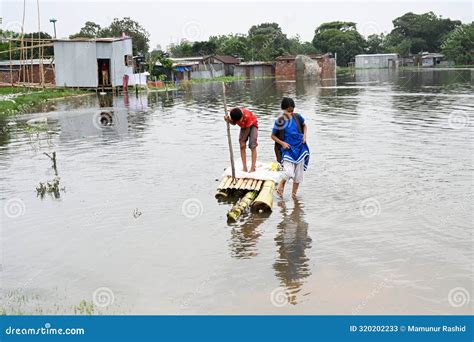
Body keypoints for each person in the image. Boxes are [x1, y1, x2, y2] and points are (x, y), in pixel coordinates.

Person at [271, 97, 310, 199]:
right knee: (288, 172)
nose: (290, 113)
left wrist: (305, 136)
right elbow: (273, 136)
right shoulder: (280, 121)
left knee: (298, 176)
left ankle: (294, 196)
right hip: (287, 150)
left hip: (300, 148)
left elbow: (304, 126)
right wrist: (282, 143)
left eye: (292, 111)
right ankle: (280, 187)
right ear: (283, 110)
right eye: (288, 111)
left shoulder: (297, 117)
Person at [224, 107, 258, 172]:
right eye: (238, 121)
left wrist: (243, 140)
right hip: (244, 126)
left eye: (240, 120)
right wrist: (227, 120)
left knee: (252, 145)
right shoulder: (234, 114)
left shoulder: (247, 115)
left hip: (252, 125)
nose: (239, 121)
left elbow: (248, 129)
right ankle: (244, 167)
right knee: (242, 146)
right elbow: (233, 123)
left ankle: (253, 167)